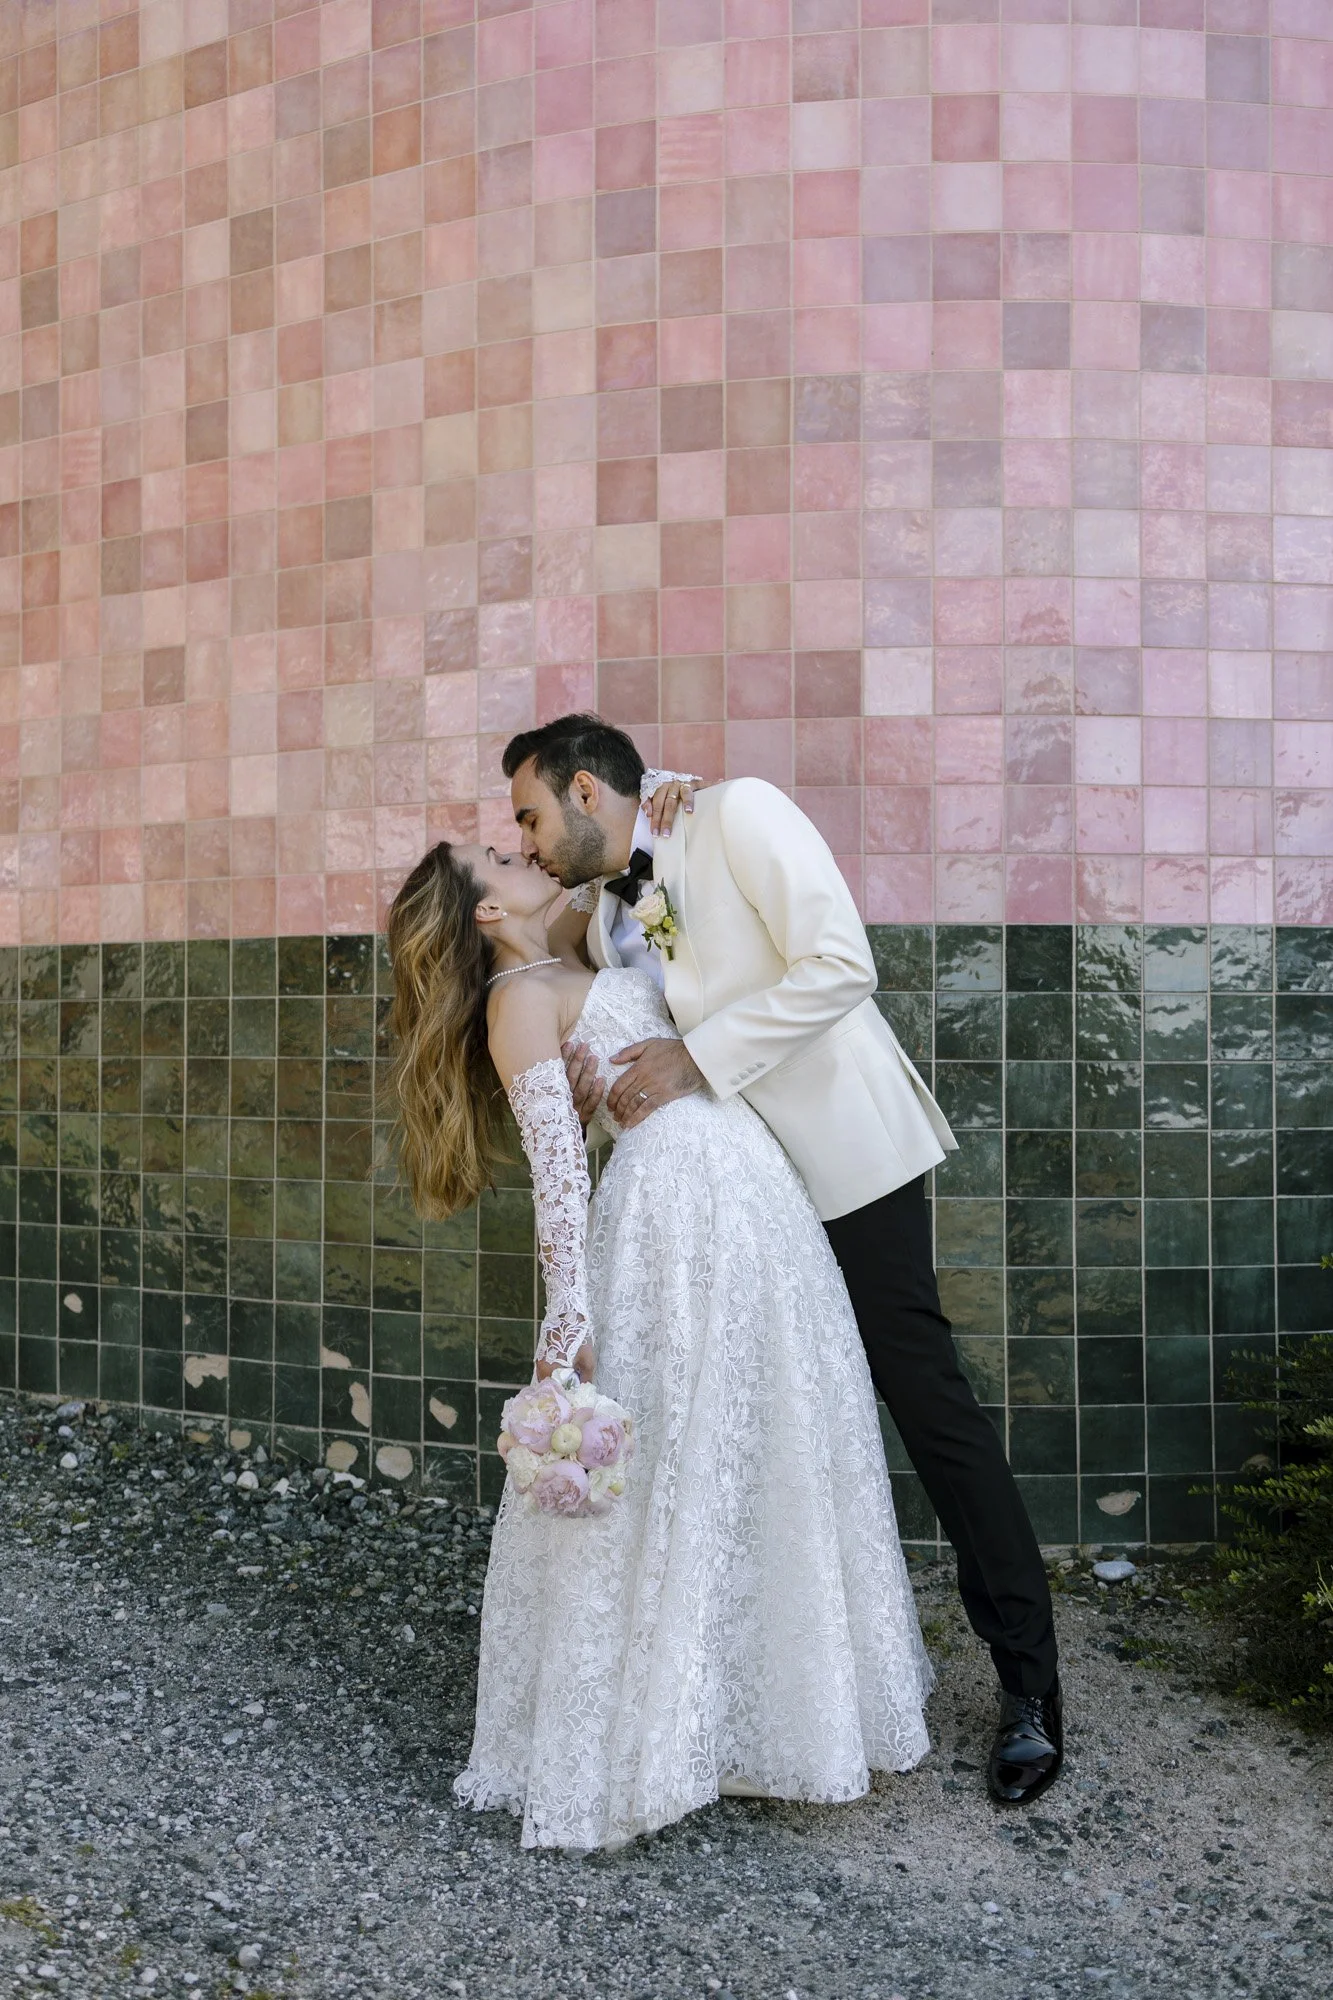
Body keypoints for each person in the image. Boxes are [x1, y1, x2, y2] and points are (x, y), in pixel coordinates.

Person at [502, 715, 1063, 1807]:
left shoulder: (736, 813)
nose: (524, 839)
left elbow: (842, 964)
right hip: (736, 1199)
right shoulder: (607, 904)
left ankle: (1030, 1688)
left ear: (584, 788)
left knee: (925, 1399)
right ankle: (760, 1695)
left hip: (842, 1159)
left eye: (529, 814)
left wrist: (695, 1057)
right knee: (760, 1427)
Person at [385, 836, 933, 1852]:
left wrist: (669, 790)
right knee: (681, 1450)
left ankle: (756, 1710)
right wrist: (567, 1316)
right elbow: (558, 1177)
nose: (520, 848)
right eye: (498, 856)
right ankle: (659, 1727)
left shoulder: (585, 953)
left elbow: (626, 855)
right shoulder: (519, 1001)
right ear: (486, 914)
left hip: (749, 1192)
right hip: (671, 1223)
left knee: (760, 1435)